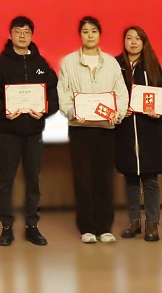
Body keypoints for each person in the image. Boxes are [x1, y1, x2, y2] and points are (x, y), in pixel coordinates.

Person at [0, 15, 58, 247]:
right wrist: (3, 112)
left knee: (33, 180)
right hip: (8, 132)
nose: (22, 35)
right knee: (7, 180)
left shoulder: (41, 64)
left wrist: (44, 110)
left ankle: (31, 226)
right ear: (10, 35)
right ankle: (6, 227)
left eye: (26, 32)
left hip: (34, 132)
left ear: (32, 36)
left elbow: (53, 95)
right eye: (18, 31)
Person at [58, 16, 128, 244]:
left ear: (100, 34)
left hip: (106, 129)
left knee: (104, 178)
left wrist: (118, 113)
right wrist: (72, 112)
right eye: (85, 31)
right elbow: (63, 93)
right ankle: (87, 227)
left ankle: (104, 227)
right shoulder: (69, 62)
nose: (90, 35)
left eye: (94, 31)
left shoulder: (111, 63)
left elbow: (121, 92)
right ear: (80, 34)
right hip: (80, 129)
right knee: (83, 179)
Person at [114, 26, 162, 242]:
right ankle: (134, 221)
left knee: (151, 179)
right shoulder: (115, 65)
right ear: (124, 41)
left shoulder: (153, 64)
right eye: (129, 38)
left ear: (144, 42)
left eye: (138, 38)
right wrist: (118, 109)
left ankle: (152, 223)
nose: (133, 42)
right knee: (131, 179)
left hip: (149, 129)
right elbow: (110, 95)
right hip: (125, 129)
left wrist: (158, 110)